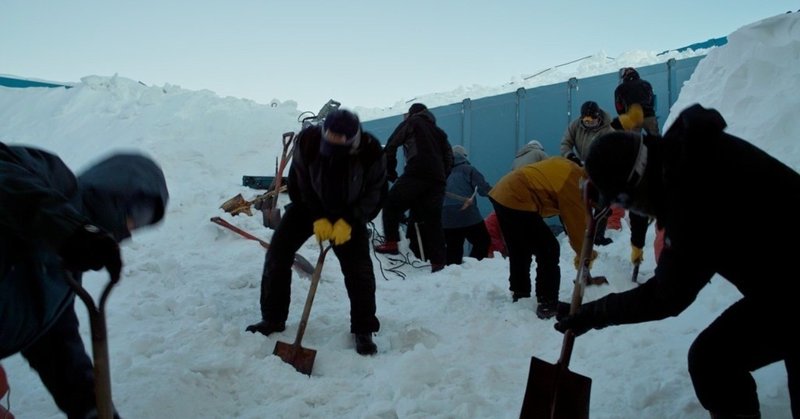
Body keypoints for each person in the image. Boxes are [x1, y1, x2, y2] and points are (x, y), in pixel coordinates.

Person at [555, 104, 800, 418]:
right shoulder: (679, 155)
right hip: (781, 293)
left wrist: (593, 314)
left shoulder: (694, 196)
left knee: (714, 360)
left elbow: (666, 296)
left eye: (629, 205)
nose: (642, 213)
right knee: (713, 359)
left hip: (796, 298)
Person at [0, 143, 169, 419]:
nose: (129, 228)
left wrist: (90, 407)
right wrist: (70, 231)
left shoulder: (62, 279)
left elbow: (58, 349)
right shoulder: (51, 179)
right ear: (113, 190)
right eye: (135, 212)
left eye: (142, 223)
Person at [246, 109, 385, 356]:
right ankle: (273, 318)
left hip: (350, 213)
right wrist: (318, 217)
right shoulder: (308, 141)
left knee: (359, 270)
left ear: (353, 139)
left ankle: (363, 328)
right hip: (309, 207)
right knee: (277, 255)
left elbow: (375, 192)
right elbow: (299, 183)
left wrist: (351, 220)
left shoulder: (371, 149)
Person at [488, 156, 594, 319]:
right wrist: (584, 254)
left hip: (502, 192)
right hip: (517, 195)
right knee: (549, 248)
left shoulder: (568, 167)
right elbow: (576, 225)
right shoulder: (574, 183)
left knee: (519, 247)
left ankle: (520, 292)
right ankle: (547, 303)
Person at [375, 103, 453, 273]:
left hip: (417, 171)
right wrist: (440, 177)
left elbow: (392, 144)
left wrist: (390, 170)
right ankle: (439, 262)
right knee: (433, 221)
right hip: (437, 180)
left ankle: (391, 243)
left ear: (412, 113)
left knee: (391, 204)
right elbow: (449, 158)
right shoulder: (439, 133)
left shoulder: (413, 122)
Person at [560, 100, 616, 245]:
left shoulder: (608, 131)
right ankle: (577, 231)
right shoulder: (575, 125)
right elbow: (565, 143)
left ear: (598, 118)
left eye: (592, 121)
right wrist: (570, 155)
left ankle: (598, 235)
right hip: (580, 168)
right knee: (576, 198)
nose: (589, 124)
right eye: (586, 121)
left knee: (602, 201)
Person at [441, 145, 492, 265]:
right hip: (467, 213)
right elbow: (483, 189)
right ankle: (473, 266)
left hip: (446, 216)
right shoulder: (469, 170)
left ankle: (453, 275)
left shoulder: (443, 172)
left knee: (453, 248)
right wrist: (497, 194)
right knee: (482, 241)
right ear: (463, 157)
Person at [613, 67, 658, 136]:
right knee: (656, 140)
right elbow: (652, 100)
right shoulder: (646, 84)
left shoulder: (620, 88)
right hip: (649, 115)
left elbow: (619, 106)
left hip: (633, 118)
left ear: (624, 77)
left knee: (633, 143)